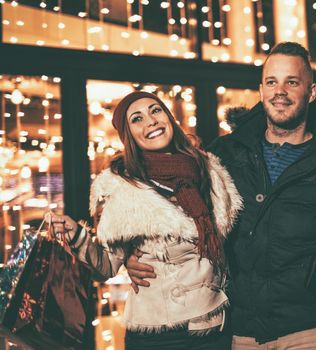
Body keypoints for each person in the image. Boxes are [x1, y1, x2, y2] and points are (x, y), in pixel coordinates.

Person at [127, 42, 316, 348]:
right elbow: (181, 217)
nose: (280, 91)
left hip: (310, 330)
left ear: (311, 92)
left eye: (292, 82)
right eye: (271, 82)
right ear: (262, 90)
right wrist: (136, 252)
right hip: (241, 330)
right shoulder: (224, 154)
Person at [47, 91, 243, 349]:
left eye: (156, 110)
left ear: (169, 117)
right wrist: (77, 237)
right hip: (158, 334)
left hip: (215, 326)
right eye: (137, 119)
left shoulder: (209, 171)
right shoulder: (121, 188)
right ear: (128, 135)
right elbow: (106, 266)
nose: (150, 121)